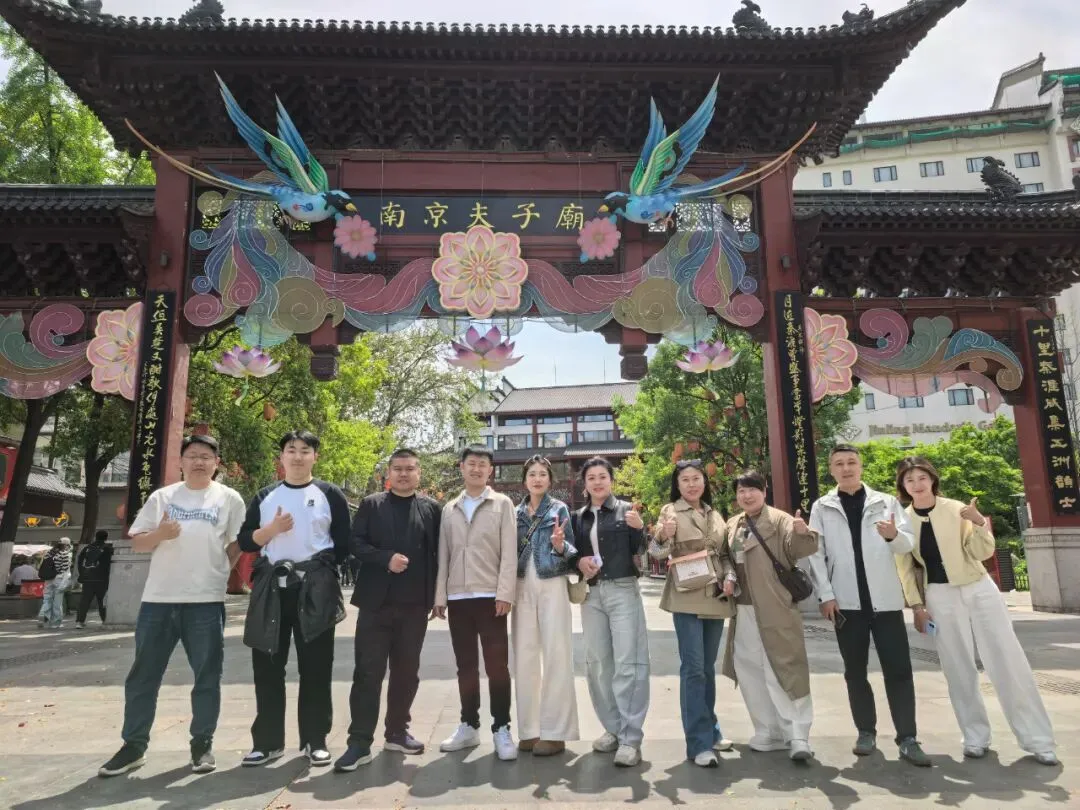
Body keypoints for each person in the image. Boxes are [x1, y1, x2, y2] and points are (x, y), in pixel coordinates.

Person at [894, 456, 1058, 766]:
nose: (917, 484)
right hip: (939, 595)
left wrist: (979, 523)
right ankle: (975, 736)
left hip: (978, 589)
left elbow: (982, 552)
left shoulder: (956, 509)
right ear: (903, 486)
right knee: (957, 667)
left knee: (1006, 658)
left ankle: (1038, 740)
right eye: (909, 479)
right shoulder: (903, 521)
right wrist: (917, 606)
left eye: (922, 477)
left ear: (933, 479)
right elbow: (904, 568)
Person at [98, 434, 245, 777]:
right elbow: (138, 544)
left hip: (205, 601)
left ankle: (202, 745)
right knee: (143, 676)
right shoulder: (163, 497)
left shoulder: (229, 499)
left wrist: (221, 571)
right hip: (159, 601)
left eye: (206, 456)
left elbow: (237, 544)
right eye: (192, 455)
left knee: (207, 676)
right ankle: (133, 746)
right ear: (181, 462)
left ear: (216, 463)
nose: (199, 462)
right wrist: (160, 534)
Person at [807, 444, 930, 767]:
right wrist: (825, 595)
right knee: (855, 672)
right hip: (846, 604)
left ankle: (908, 737)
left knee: (899, 670)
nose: (846, 468)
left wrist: (892, 536)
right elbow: (816, 554)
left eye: (851, 462)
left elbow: (907, 544)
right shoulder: (822, 506)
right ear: (831, 470)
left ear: (861, 467)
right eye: (839, 464)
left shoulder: (885, 502)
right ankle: (865, 732)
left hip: (885, 602)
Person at [238, 430, 350, 768]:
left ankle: (315, 740)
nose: (298, 456)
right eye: (291, 450)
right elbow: (246, 540)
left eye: (305, 450)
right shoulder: (265, 496)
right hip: (272, 591)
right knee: (267, 667)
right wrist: (270, 531)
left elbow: (343, 542)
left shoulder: (330, 494)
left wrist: (320, 571)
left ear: (315, 456)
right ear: (282, 457)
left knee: (316, 667)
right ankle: (267, 743)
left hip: (314, 591)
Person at [334, 449, 442, 771]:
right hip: (375, 606)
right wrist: (385, 559)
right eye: (398, 469)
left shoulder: (431, 509)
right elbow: (355, 544)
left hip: (414, 607)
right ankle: (359, 742)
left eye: (410, 469)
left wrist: (438, 597)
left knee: (407, 673)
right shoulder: (372, 504)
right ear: (388, 474)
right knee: (368, 673)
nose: (404, 474)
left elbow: (440, 554)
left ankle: (397, 732)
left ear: (419, 474)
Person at [721, 470, 819, 762]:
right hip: (743, 609)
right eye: (741, 490)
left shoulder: (780, 520)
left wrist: (802, 533)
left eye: (752, 489)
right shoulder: (733, 524)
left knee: (785, 669)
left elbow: (798, 549)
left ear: (764, 491)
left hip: (776, 607)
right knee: (750, 670)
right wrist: (728, 574)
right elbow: (726, 557)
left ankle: (797, 734)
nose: (746, 495)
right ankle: (768, 731)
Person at [433, 444, 519, 761]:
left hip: (490, 597)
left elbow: (509, 553)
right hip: (458, 598)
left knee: (497, 667)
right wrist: (440, 596)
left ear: (490, 470)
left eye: (483, 464)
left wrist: (505, 593)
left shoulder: (502, 504)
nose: (477, 468)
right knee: (465, 666)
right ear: (462, 467)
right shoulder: (450, 508)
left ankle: (501, 727)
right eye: (471, 463)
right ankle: (469, 725)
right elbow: (444, 554)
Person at [649, 459, 735, 768]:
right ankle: (698, 744)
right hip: (686, 595)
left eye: (696, 478)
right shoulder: (670, 511)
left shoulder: (714, 513)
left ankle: (711, 729)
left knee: (708, 668)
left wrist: (730, 576)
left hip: (715, 595)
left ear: (704, 481)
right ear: (677, 484)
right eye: (685, 479)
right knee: (694, 668)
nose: (691, 484)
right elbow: (656, 552)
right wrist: (663, 534)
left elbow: (724, 554)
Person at [571, 456, 649, 768]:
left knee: (629, 662)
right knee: (599, 663)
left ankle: (631, 738)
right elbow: (571, 554)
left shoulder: (627, 510)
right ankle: (613, 728)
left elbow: (642, 549)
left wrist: (640, 529)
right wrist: (577, 561)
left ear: (611, 480)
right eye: (591, 478)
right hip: (592, 595)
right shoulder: (578, 517)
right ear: (585, 484)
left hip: (622, 589)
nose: (597, 482)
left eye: (602, 476)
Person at [513, 455, 579, 756]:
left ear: (550, 480)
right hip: (521, 585)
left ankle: (556, 732)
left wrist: (560, 545)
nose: (537, 479)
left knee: (557, 654)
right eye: (532, 474)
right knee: (524, 657)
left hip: (552, 583)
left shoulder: (559, 509)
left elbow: (572, 551)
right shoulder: (514, 512)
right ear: (524, 480)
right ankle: (529, 730)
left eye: (542, 474)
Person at [75, 529, 113, 628]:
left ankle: (79, 621)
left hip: (88, 579)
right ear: (106, 538)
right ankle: (104, 621)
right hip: (102, 579)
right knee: (102, 602)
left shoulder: (87, 548)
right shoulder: (108, 549)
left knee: (85, 601)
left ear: (96, 537)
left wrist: (82, 574)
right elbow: (110, 564)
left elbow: (80, 562)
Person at [37, 537, 73, 629]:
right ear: (67, 545)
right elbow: (65, 570)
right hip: (59, 579)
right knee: (57, 602)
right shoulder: (65, 554)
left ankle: (43, 614)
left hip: (48, 579)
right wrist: (65, 583)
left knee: (47, 599)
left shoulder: (49, 553)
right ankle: (55, 623)